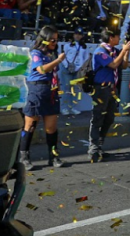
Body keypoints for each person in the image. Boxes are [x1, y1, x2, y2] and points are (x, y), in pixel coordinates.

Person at [18, 26, 67, 171]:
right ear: (44, 39)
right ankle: (24, 156)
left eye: (56, 40)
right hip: (36, 90)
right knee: (30, 126)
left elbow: (54, 73)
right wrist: (58, 60)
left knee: (51, 127)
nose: (55, 43)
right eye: (52, 40)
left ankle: (53, 156)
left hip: (50, 91)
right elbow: (42, 69)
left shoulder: (51, 54)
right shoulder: (36, 53)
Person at [88, 29, 130, 163]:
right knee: (97, 118)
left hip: (112, 89)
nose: (119, 38)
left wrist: (126, 52)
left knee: (109, 118)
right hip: (101, 89)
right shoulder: (100, 52)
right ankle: (93, 149)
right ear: (110, 37)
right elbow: (113, 65)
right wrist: (123, 50)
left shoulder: (115, 51)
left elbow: (123, 65)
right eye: (117, 36)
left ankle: (99, 145)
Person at [59, 27, 90, 116]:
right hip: (67, 68)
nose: (77, 36)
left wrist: (79, 68)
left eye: (80, 34)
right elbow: (62, 56)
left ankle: (73, 107)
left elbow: (86, 58)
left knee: (76, 89)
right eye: (76, 34)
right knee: (66, 88)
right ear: (73, 35)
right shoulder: (67, 45)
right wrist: (67, 65)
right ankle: (64, 107)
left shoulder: (84, 47)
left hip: (78, 70)